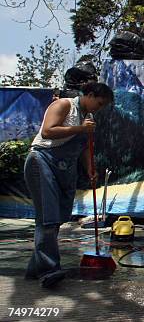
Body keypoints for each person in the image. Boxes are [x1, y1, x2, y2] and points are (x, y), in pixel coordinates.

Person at [24, 82, 114, 288]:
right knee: (48, 218)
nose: (98, 109)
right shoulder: (64, 105)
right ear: (89, 95)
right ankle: (49, 271)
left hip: (65, 168)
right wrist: (81, 128)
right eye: (98, 103)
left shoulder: (89, 119)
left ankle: (34, 270)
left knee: (55, 219)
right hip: (42, 161)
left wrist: (90, 168)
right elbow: (47, 131)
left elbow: (84, 147)